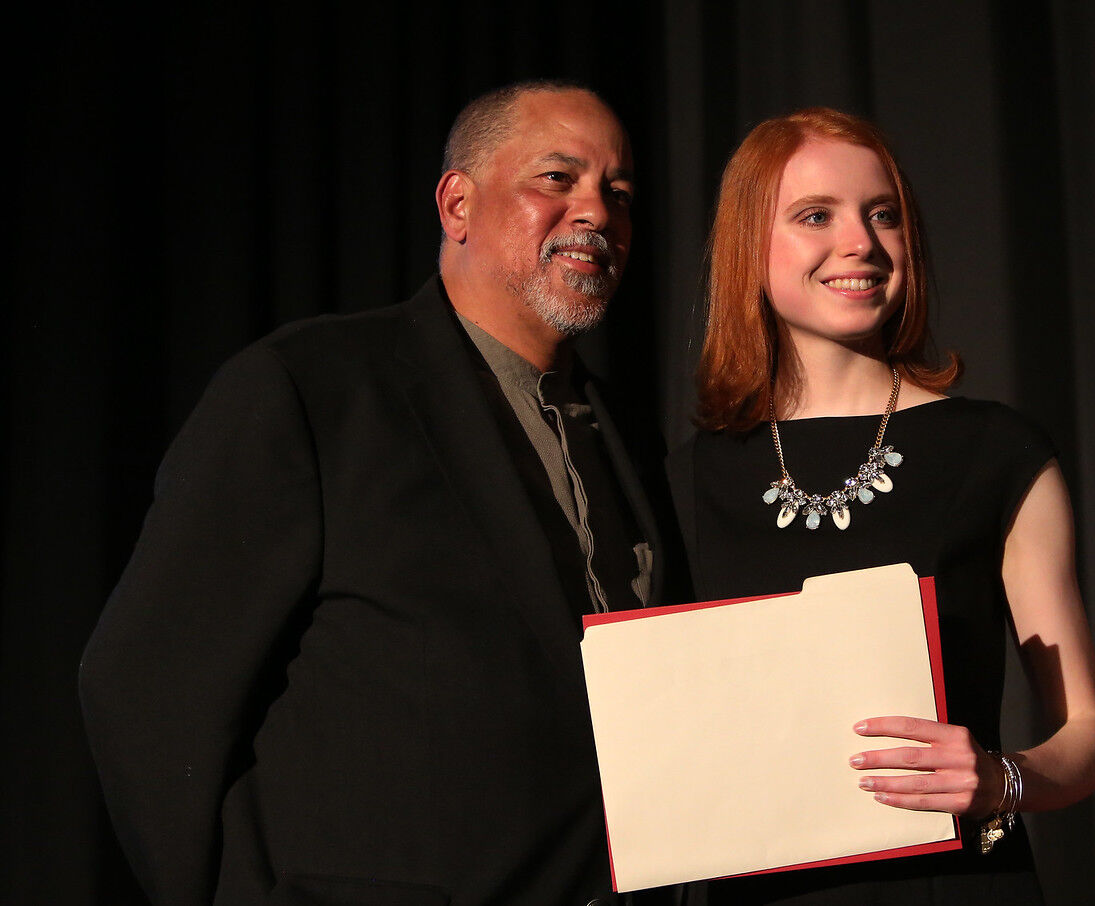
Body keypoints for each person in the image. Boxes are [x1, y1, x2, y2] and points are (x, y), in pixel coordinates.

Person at [80, 80, 682, 906]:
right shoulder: (313, 388)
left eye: (619, 193)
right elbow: (142, 682)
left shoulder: (629, 439)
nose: (596, 213)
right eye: (557, 178)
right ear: (457, 203)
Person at [667, 108, 1095, 903]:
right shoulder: (689, 477)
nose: (862, 244)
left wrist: (1001, 780)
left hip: (955, 885)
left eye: (885, 216)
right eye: (816, 216)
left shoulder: (995, 451)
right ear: (749, 247)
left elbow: (1089, 735)